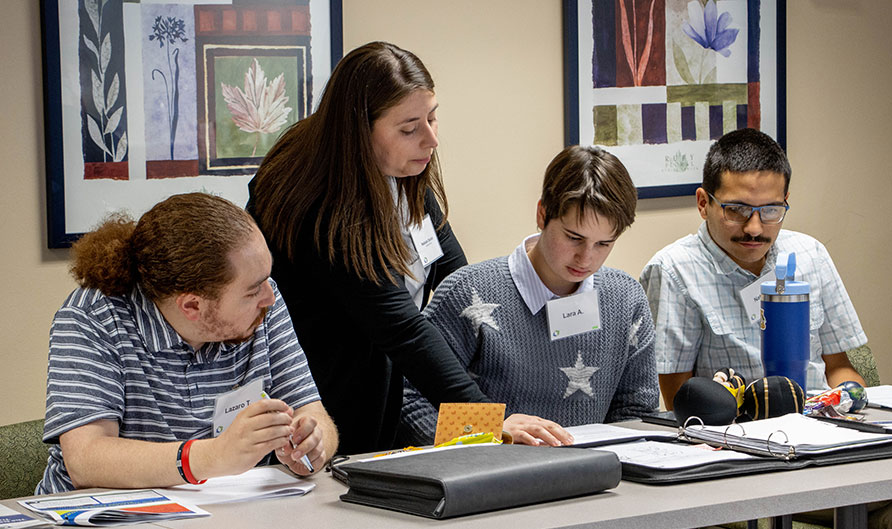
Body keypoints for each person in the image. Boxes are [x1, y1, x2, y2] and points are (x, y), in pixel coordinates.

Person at [247, 41, 487, 455]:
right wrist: (489, 420)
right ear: (359, 130)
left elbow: (459, 282)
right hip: (319, 402)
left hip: (384, 383)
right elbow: (403, 330)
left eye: (432, 119)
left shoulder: (402, 169)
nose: (430, 139)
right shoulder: (320, 204)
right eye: (409, 128)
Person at [37, 193, 338, 495]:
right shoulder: (92, 317)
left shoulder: (263, 305)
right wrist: (214, 456)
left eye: (266, 279)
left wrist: (311, 444)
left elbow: (312, 411)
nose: (269, 297)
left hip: (224, 508)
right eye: (251, 291)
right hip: (105, 513)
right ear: (192, 306)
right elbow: (87, 461)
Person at [399, 145, 659, 447]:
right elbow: (407, 401)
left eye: (604, 244)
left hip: (594, 480)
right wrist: (493, 431)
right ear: (542, 214)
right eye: (574, 238)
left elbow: (635, 415)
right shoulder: (467, 293)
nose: (586, 258)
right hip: (490, 480)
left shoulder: (625, 299)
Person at [639, 128, 867, 408]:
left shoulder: (811, 254)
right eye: (736, 210)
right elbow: (680, 400)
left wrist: (849, 398)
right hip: (734, 432)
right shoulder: (674, 271)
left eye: (771, 210)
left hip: (818, 424)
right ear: (703, 203)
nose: (755, 228)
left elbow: (837, 367)